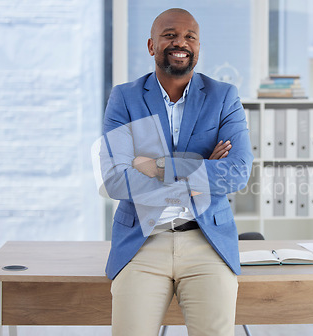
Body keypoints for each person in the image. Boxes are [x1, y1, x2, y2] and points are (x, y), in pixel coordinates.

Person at [100, 7, 253, 336]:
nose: (180, 42)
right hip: (142, 241)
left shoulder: (223, 97)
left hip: (206, 240)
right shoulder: (124, 98)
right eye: (170, 35)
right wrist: (202, 169)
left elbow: (237, 173)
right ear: (151, 45)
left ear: (198, 47)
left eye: (189, 36)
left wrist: (156, 166)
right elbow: (114, 179)